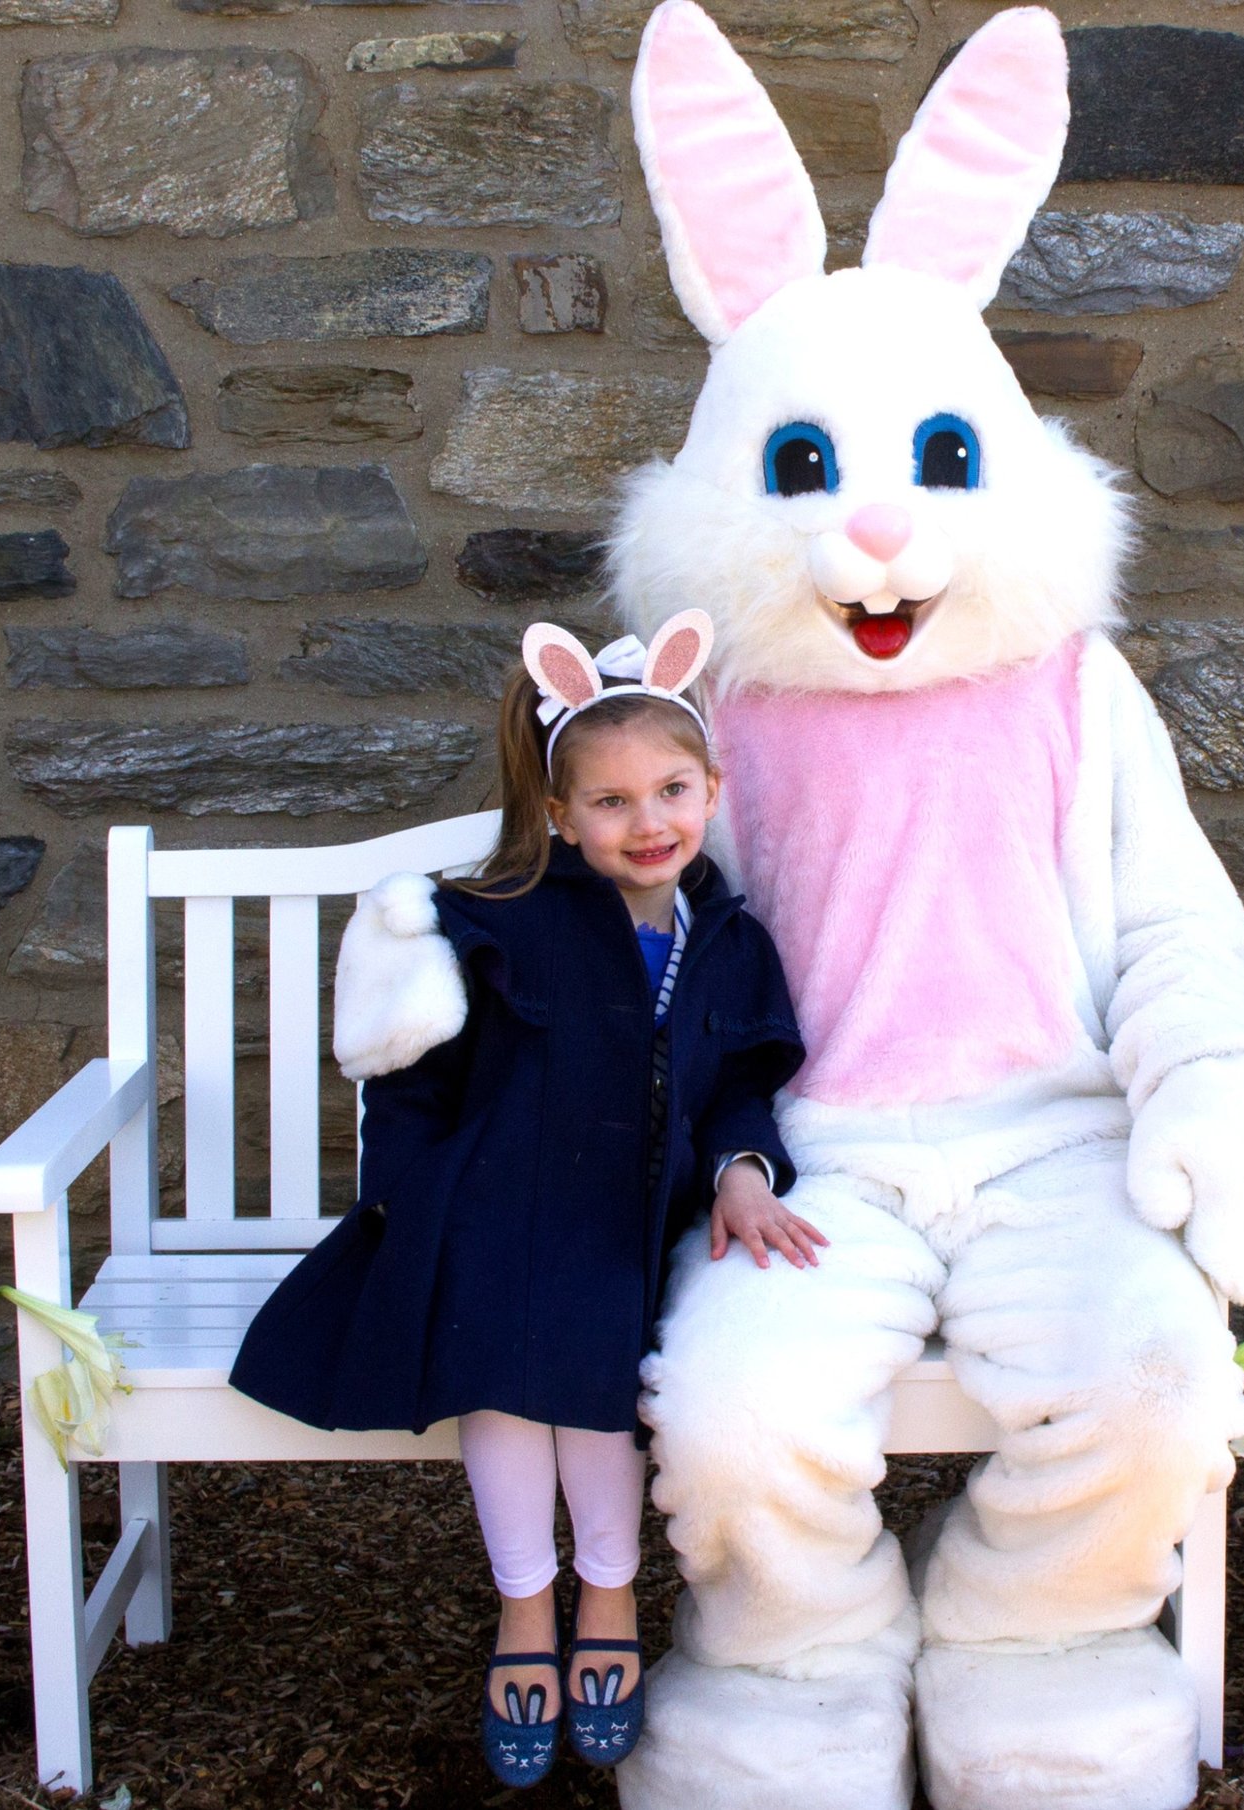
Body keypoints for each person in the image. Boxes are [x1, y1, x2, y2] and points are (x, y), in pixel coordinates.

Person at [228, 610, 822, 1787]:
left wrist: (742, 1175)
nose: (646, 822)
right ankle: (524, 1606)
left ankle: (607, 1593)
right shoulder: (496, 926)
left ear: (712, 784)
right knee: (497, 1358)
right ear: (558, 814)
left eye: (670, 790)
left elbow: (746, 1086)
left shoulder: (732, 943)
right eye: (610, 803)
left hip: (627, 1218)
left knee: (595, 1359)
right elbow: (407, 1081)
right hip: (495, 1205)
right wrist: (411, 1198)